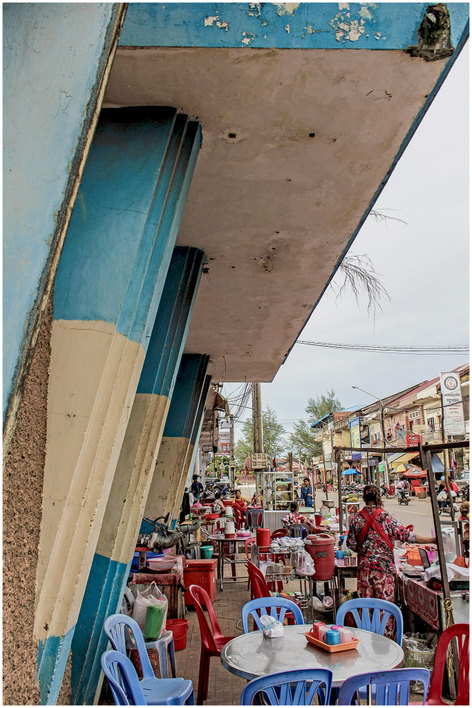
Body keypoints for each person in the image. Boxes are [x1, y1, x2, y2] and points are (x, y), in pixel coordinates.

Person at [346, 484, 435, 637]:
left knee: (365, 610)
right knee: (384, 610)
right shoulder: (387, 517)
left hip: (364, 572)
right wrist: (432, 540)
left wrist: (368, 550)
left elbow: (351, 544)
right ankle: (385, 644)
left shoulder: (356, 519)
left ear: (364, 498)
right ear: (378, 498)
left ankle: (365, 641)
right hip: (384, 572)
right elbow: (407, 536)